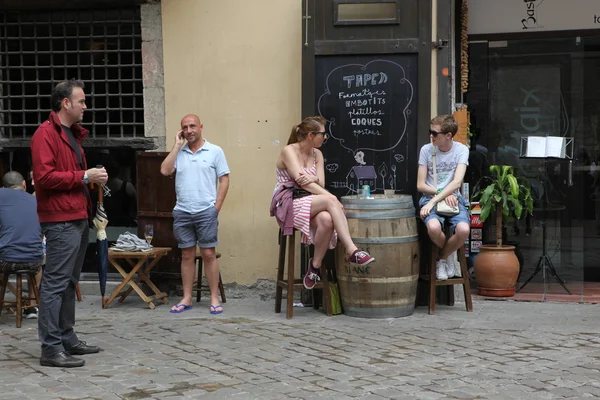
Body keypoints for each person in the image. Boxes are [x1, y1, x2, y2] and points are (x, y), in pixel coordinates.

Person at [31, 79, 108, 368]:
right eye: (82, 101)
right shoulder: (45, 134)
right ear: (66, 103)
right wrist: (84, 176)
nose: (85, 106)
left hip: (76, 216)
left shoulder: (72, 135)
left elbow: (73, 175)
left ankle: (67, 338)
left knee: (69, 282)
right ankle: (51, 349)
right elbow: (46, 178)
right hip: (60, 219)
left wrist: (92, 177)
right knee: (55, 284)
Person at [271, 116, 374, 291]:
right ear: (311, 135)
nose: (325, 138)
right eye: (322, 134)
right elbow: (301, 182)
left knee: (326, 219)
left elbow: (321, 183)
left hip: (312, 200)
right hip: (289, 202)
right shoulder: (288, 151)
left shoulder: (317, 153)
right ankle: (352, 250)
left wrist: (314, 178)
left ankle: (314, 266)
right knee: (330, 200)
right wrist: (328, 196)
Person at [160, 114, 230, 315]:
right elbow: (165, 171)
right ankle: (187, 298)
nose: (189, 130)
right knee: (187, 254)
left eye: (192, 126)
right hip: (182, 211)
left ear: (201, 127)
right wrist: (176, 146)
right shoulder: (179, 153)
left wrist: (216, 207)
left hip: (206, 210)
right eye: (185, 127)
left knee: (208, 254)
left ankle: (214, 298)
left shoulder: (215, 151)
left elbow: (224, 180)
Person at [417, 114, 470, 280]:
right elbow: (420, 185)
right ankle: (450, 253)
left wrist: (438, 197)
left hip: (453, 198)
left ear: (448, 135)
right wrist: (440, 194)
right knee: (433, 227)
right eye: (430, 132)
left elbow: (456, 182)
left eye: (435, 133)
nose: (431, 136)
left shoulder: (461, 150)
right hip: (431, 197)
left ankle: (443, 257)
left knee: (463, 230)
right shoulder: (427, 150)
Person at [0, 172, 44, 315]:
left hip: (5, 261)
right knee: (37, 260)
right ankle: (32, 306)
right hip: (34, 262)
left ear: (4, 186)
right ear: (24, 184)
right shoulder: (36, 200)